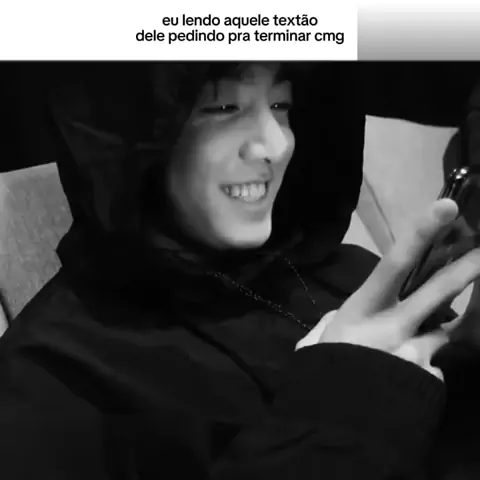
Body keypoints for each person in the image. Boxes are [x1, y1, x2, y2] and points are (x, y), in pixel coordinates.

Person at [0, 61, 480, 479]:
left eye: (281, 106)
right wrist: (340, 406)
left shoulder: (343, 269)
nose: (275, 144)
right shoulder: (50, 376)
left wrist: (468, 356)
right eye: (223, 108)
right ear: (131, 135)